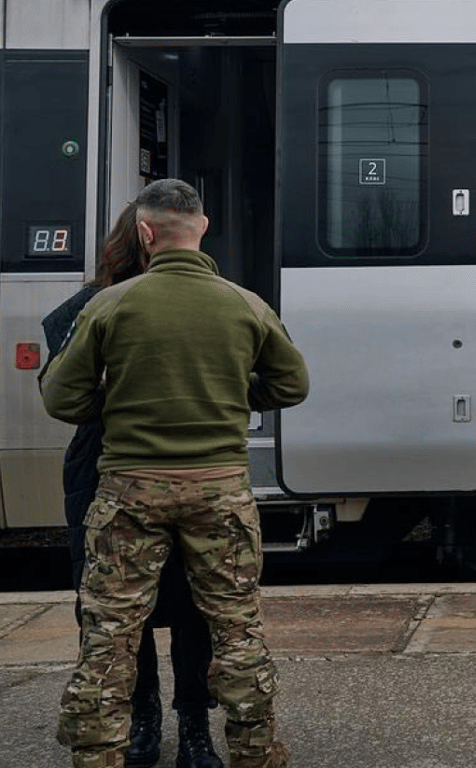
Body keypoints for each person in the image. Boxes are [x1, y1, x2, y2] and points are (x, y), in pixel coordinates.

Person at [41, 178, 308, 768]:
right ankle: (252, 751)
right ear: (202, 228)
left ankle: (102, 753)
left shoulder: (106, 304)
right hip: (220, 491)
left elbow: (61, 399)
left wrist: (118, 401)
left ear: (144, 231)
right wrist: (234, 395)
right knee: (236, 631)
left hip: (129, 491)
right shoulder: (245, 303)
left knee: (110, 635)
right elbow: (294, 385)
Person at [40, 203, 223, 768]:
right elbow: (58, 386)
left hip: (175, 469)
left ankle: (193, 723)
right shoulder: (87, 306)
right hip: (104, 471)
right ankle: (145, 716)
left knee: (193, 604)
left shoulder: (206, 300)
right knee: (123, 610)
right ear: (148, 238)